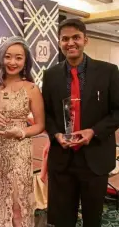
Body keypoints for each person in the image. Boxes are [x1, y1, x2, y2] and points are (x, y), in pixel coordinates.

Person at [42, 18, 119, 227]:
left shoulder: (109, 72)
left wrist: (93, 131)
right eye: (65, 39)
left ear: (86, 40)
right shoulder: (50, 76)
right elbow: (46, 114)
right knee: (61, 220)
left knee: (92, 219)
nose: (70, 43)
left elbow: (117, 111)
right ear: (59, 42)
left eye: (76, 37)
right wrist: (56, 134)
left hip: (95, 158)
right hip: (63, 159)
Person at [0, 36, 45, 227]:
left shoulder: (31, 88)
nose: (12, 62)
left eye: (18, 58)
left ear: (25, 61)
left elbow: (40, 125)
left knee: (18, 207)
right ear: (1, 58)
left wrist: (22, 132)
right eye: (8, 57)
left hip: (19, 153)